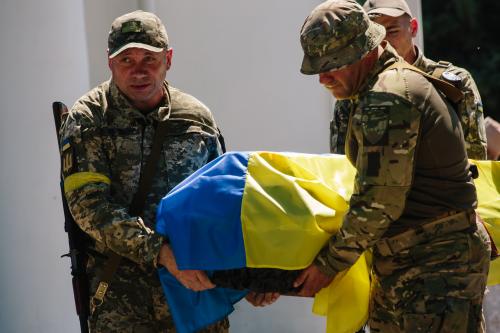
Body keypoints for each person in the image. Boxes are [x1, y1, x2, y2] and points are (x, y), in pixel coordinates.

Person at [59, 10, 275, 333]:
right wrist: (161, 252)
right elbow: (90, 208)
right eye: (126, 60)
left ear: (169, 59)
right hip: (125, 308)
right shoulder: (88, 118)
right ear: (109, 62)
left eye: (149, 58)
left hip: (198, 305)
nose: (139, 71)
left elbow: (226, 206)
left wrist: (251, 275)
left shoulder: (196, 118)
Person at [295, 1, 491, 332]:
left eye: (332, 64)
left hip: (435, 270)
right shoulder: (378, 89)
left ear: (362, 50)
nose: (323, 78)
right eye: (317, 68)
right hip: (412, 263)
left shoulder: (388, 95)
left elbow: (378, 202)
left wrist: (327, 266)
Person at [330, 0, 488, 161]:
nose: (384, 42)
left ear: (413, 28)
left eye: (392, 31)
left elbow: (475, 163)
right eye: (374, 36)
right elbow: (342, 169)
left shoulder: (452, 84)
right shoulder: (353, 94)